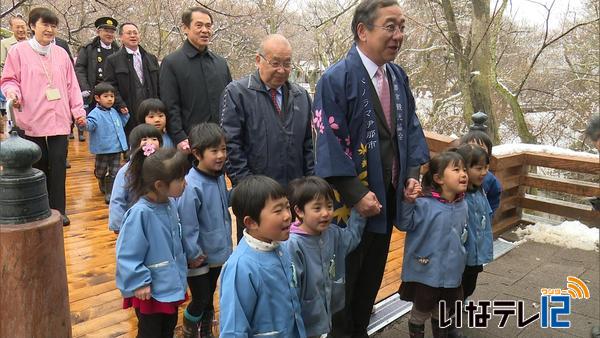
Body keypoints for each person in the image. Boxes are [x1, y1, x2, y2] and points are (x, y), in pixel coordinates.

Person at [312, 1, 430, 335]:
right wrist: (357, 193)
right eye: (390, 26)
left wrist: (411, 175)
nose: (399, 35)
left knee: (371, 280)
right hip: (350, 207)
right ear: (362, 31)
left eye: (402, 27)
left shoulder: (396, 76)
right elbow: (329, 141)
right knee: (344, 283)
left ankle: (360, 329)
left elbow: (411, 128)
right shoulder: (336, 79)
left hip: (387, 196)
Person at [221, 34, 314, 242]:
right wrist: (250, 191)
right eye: (275, 63)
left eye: (287, 63)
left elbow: (308, 146)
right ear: (258, 60)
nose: (282, 70)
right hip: (256, 200)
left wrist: (309, 188)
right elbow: (231, 146)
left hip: (294, 197)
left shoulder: (301, 96)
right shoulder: (237, 93)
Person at [1, 7, 86, 226]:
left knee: (58, 165)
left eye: (53, 26)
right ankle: (41, 208)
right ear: (32, 26)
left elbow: (72, 85)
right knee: (39, 164)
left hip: (59, 118)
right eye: (44, 25)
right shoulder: (18, 51)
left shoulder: (61, 53)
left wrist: (78, 111)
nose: (49, 30)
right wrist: (13, 93)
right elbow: (9, 80)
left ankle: (59, 210)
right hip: (31, 117)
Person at [116, 145, 190, 338]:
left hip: (169, 281)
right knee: (151, 332)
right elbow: (127, 253)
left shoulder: (169, 204)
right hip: (150, 291)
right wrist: (139, 282)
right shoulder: (140, 213)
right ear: (159, 185)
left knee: (168, 328)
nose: (185, 183)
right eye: (180, 179)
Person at [219, 175, 306, 337]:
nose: (287, 215)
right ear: (251, 222)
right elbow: (234, 329)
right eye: (278, 210)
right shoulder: (241, 268)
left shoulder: (282, 248)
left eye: (287, 207)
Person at [396, 151, 469, 338]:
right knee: (420, 312)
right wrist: (408, 202)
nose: (463, 174)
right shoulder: (424, 204)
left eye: (464, 169)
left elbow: (464, 235)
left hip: (452, 271)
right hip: (426, 271)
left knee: (443, 311)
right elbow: (404, 224)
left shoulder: (463, 205)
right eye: (456, 169)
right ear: (438, 178)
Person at [285, 176, 366, 338]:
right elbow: (291, 288)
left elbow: (351, 239)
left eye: (329, 206)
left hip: (326, 310)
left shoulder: (332, 233)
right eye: (317, 208)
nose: (325, 213)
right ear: (299, 211)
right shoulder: (292, 244)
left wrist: (360, 212)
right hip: (303, 317)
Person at [177, 123, 232, 338]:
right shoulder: (191, 186)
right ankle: (189, 331)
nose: (221, 155)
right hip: (199, 257)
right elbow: (187, 223)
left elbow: (221, 203)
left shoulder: (217, 177)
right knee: (199, 298)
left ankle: (206, 330)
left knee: (209, 295)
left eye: (224, 149)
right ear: (197, 153)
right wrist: (193, 253)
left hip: (216, 253)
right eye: (214, 151)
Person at [160, 7, 231, 152]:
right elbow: (170, 104)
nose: (205, 30)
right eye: (199, 25)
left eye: (208, 26)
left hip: (221, 142)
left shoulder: (221, 63)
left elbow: (230, 102)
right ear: (185, 28)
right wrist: (179, 137)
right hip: (190, 144)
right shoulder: (172, 62)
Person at [104, 22, 159, 138]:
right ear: (121, 37)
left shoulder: (150, 58)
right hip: (128, 111)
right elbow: (110, 86)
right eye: (129, 33)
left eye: (135, 33)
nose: (133, 36)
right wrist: (120, 104)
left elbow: (159, 84)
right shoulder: (113, 60)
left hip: (151, 110)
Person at [454, 145, 493, 303]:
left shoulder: (479, 190)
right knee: (456, 285)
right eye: (478, 168)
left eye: (486, 167)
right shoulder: (456, 196)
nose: (484, 172)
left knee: (470, 285)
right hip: (460, 252)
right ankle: (446, 315)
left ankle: (459, 304)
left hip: (476, 251)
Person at [109, 123, 163, 234]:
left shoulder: (163, 166)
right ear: (134, 145)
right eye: (144, 139)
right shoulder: (126, 171)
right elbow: (117, 199)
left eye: (154, 139)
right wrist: (118, 225)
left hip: (158, 219)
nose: (150, 143)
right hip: (134, 222)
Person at [86, 82, 129, 203]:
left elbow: (120, 125)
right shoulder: (95, 113)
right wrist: (83, 124)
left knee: (114, 171)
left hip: (116, 148)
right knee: (101, 170)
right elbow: (90, 125)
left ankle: (110, 192)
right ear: (97, 98)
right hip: (103, 149)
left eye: (112, 96)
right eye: (106, 96)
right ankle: (101, 179)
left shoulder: (115, 112)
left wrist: (125, 115)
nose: (110, 99)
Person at [75, 17, 120, 120]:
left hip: (113, 94)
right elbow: (79, 68)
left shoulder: (117, 50)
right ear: (98, 32)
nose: (109, 34)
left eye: (112, 32)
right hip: (94, 94)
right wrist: (85, 88)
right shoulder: (88, 48)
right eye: (106, 31)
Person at [460, 130, 502, 216]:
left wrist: (487, 216)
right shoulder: (456, 177)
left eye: (481, 148)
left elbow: (493, 200)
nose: (477, 151)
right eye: (472, 147)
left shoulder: (490, 180)